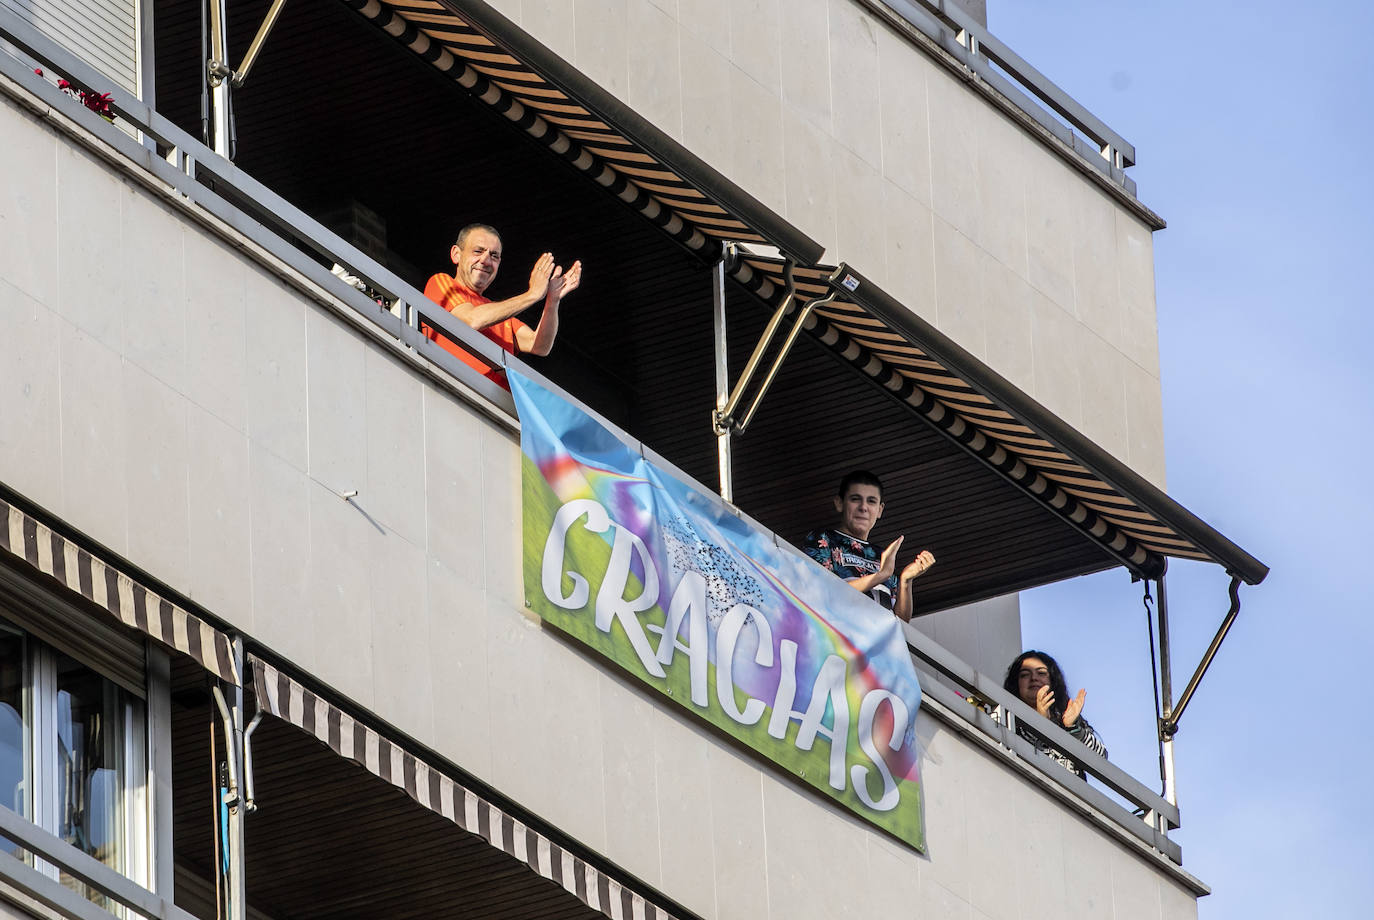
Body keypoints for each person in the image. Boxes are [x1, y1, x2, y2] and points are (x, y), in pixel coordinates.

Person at [420, 223, 582, 384]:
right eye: (478, 251)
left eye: (494, 256)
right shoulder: (442, 282)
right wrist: (532, 295)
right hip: (453, 389)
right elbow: (471, 320)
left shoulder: (501, 315)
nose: (485, 260)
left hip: (494, 403)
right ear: (456, 254)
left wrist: (552, 301)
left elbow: (539, 345)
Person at [801, 471, 936, 622]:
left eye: (871, 501)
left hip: (877, 644)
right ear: (839, 503)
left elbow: (901, 621)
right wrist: (880, 575)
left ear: (880, 510)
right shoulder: (823, 538)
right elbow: (824, 594)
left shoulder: (883, 555)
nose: (863, 507)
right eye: (855, 499)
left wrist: (905, 581)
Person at [1002, 650, 1107, 777]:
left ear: (1052, 680)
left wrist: (1073, 728)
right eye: (1025, 674)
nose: (1034, 678)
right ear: (1016, 683)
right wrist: (1040, 724)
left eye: (1041, 673)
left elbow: (1101, 761)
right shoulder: (1007, 718)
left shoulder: (1066, 717)